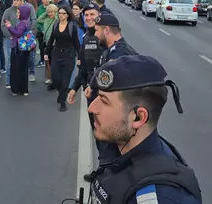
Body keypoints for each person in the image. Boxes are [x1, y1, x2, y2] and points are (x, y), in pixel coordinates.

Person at [86, 55, 202, 204]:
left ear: (138, 118)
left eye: (104, 101)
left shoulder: (158, 197)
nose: (91, 108)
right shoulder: (120, 144)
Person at [44, 5, 80, 112]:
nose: (61, 15)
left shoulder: (71, 27)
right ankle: (62, 95)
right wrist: (46, 52)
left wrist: (79, 57)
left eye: (63, 13)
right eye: (59, 13)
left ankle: (62, 101)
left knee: (65, 80)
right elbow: (51, 40)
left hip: (68, 55)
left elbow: (76, 42)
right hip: (56, 54)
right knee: (55, 79)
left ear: (68, 15)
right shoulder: (55, 24)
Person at [4, 5, 32, 96]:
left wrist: (9, 27)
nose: (17, 14)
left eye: (19, 12)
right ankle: (24, 89)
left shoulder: (22, 23)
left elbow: (18, 33)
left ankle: (15, 89)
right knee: (23, 69)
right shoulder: (26, 22)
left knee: (16, 69)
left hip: (17, 48)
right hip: (24, 48)